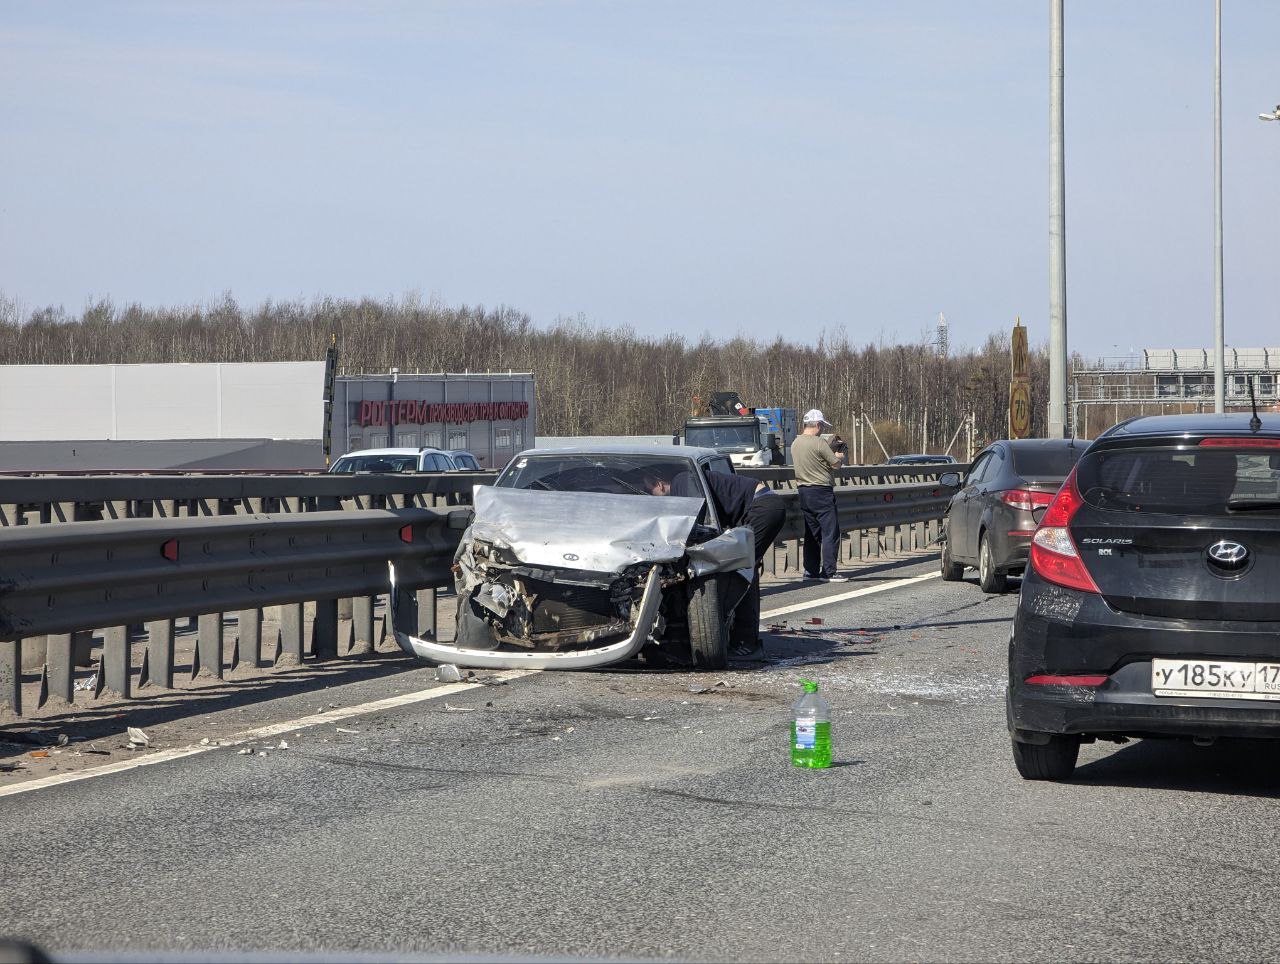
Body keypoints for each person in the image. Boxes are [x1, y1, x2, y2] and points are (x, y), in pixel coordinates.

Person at [644, 467, 786, 659]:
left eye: (649, 491)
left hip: (763, 507)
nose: (652, 498)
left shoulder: (682, 481)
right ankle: (743, 638)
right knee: (744, 568)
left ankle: (746, 643)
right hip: (764, 505)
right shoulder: (686, 479)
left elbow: (696, 519)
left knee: (740, 569)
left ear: (659, 484)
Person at [790, 408, 846, 581]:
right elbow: (836, 464)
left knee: (811, 533)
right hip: (821, 491)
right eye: (821, 426)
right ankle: (829, 571)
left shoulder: (795, 443)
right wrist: (839, 456)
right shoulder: (819, 443)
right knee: (830, 532)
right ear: (818, 424)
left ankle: (810, 571)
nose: (822, 429)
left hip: (804, 491)